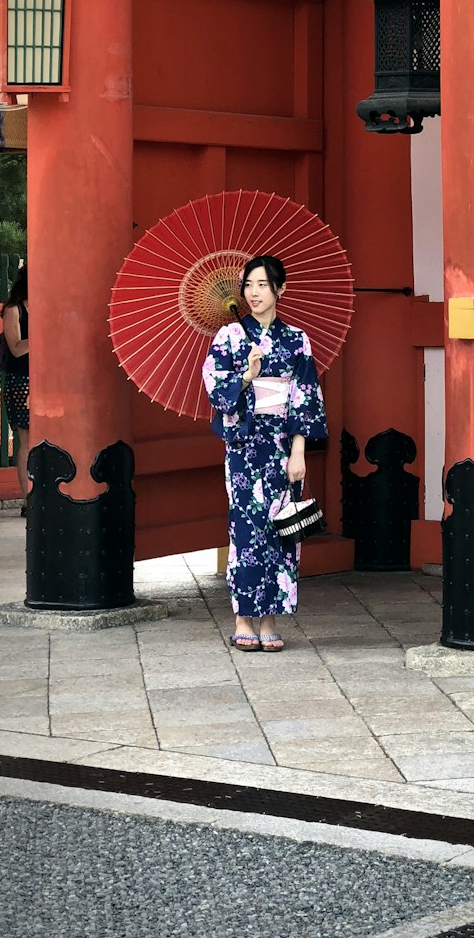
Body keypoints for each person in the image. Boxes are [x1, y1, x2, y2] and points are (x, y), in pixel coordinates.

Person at [202, 255, 327, 653]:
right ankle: (243, 617)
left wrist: (299, 450)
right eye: (249, 285)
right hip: (244, 445)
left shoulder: (297, 339)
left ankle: (270, 618)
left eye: (262, 285)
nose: (253, 293)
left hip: (283, 446)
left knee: (281, 530)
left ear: (280, 290)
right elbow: (215, 389)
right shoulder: (228, 337)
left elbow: (304, 397)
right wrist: (246, 376)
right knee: (246, 528)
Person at [0, 263, 29, 514]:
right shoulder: (13, 309)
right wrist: (44, 334)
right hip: (21, 380)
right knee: (27, 440)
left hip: (47, 378)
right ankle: (27, 500)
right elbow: (17, 348)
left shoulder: (47, 309)